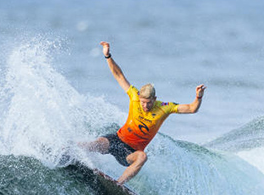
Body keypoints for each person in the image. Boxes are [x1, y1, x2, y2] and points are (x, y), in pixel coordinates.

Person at [83, 42, 205, 184]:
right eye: (143, 102)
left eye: (149, 103)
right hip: (117, 139)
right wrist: (107, 56)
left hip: (130, 153)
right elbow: (119, 75)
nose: (145, 106)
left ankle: (118, 185)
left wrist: (198, 96)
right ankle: (68, 150)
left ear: (155, 99)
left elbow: (192, 108)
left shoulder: (164, 108)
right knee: (97, 143)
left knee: (142, 157)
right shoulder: (134, 96)